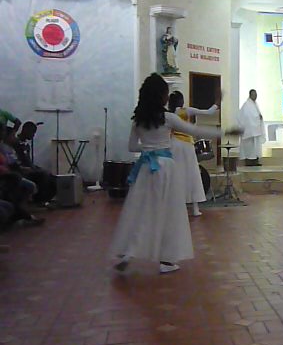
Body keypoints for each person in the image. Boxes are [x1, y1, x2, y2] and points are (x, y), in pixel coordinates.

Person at [110, 74, 241, 274]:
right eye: (165, 94)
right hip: (165, 168)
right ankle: (167, 261)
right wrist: (224, 133)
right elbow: (196, 131)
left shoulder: (138, 120)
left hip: (145, 168)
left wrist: (149, 148)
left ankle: (129, 252)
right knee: (169, 213)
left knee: (143, 210)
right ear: (160, 96)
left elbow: (131, 147)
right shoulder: (168, 118)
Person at [167, 91, 220, 216]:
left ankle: (177, 206)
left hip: (173, 144)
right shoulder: (186, 110)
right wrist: (217, 104)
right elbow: (208, 112)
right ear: (181, 101)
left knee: (177, 175)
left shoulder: (169, 114)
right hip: (186, 145)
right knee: (192, 175)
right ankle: (195, 208)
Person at [8, 121, 56, 205]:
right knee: (43, 175)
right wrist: (30, 168)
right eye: (32, 132)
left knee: (52, 177)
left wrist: (35, 167)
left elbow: (28, 161)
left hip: (29, 167)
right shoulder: (16, 143)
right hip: (21, 169)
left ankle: (45, 199)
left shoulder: (26, 145)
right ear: (25, 130)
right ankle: (38, 200)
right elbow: (17, 161)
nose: (33, 135)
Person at [238, 89, 265, 166]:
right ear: (250, 95)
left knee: (255, 147)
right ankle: (249, 162)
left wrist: (259, 117)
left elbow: (256, 115)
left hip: (255, 130)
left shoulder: (255, 104)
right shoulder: (247, 105)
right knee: (249, 147)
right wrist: (257, 117)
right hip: (249, 131)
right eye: (254, 95)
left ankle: (255, 161)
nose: (255, 96)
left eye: (256, 95)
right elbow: (246, 116)